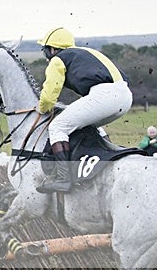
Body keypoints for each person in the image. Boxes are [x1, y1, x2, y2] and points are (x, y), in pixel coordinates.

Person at [36, 27, 132, 193]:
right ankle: (106, 153)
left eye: (46, 51)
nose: (46, 57)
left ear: (52, 49)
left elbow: (49, 97)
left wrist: (41, 108)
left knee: (58, 127)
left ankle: (63, 179)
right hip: (125, 95)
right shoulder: (86, 52)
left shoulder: (58, 60)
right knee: (88, 125)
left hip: (104, 95)